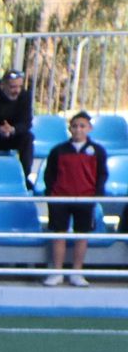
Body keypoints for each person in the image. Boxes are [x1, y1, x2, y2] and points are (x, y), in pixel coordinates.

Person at [40, 111, 108, 287]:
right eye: (75, 126)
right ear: (70, 128)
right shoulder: (58, 150)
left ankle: (76, 273)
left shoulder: (98, 151)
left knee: (81, 236)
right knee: (59, 235)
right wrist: (52, 193)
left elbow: (102, 174)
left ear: (89, 128)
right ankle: (57, 272)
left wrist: (95, 194)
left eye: (82, 126)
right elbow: (49, 174)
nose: (78, 129)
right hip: (60, 198)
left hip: (85, 199)